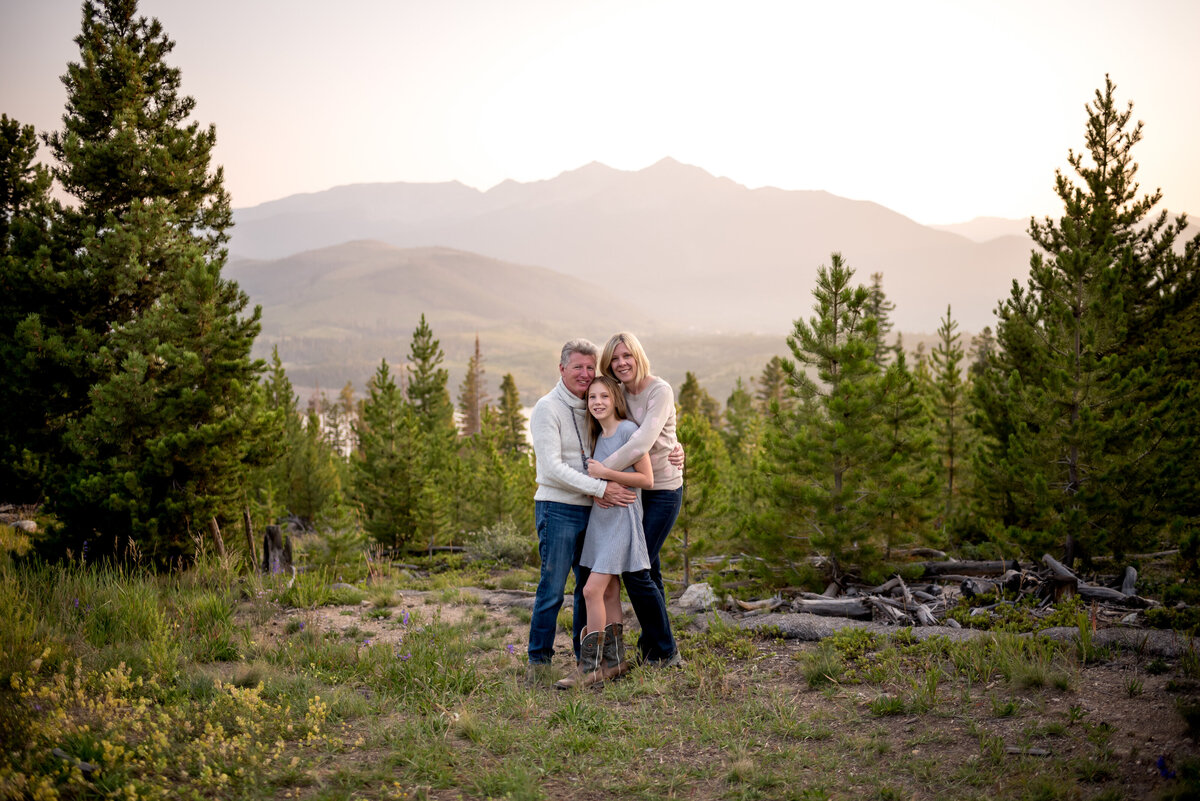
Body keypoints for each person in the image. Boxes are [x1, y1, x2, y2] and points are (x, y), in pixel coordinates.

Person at [526, 339, 679, 687]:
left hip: (608, 516)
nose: (584, 376)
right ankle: (551, 661)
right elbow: (551, 468)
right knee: (566, 589)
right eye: (576, 367)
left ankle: (598, 663)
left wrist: (672, 446)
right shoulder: (551, 409)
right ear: (561, 368)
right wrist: (600, 485)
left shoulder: (610, 421)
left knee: (596, 588)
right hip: (569, 508)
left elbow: (643, 451)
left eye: (588, 368)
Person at [554, 376, 654, 690]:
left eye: (604, 397)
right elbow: (595, 480)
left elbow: (647, 479)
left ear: (615, 400)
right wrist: (598, 488)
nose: (597, 402)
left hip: (621, 521)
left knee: (590, 591)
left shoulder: (627, 431)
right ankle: (615, 662)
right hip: (601, 521)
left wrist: (605, 475)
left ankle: (589, 667)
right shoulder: (596, 435)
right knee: (609, 592)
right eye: (592, 397)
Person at [597, 331, 685, 666]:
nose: (621, 364)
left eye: (626, 356)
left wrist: (600, 471)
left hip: (662, 490)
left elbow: (642, 443)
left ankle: (666, 650)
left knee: (636, 570)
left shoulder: (658, 390)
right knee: (651, 570)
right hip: (634, 492)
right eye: (615, 359)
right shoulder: (617, 392)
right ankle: (653, 648)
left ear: (638, 356)